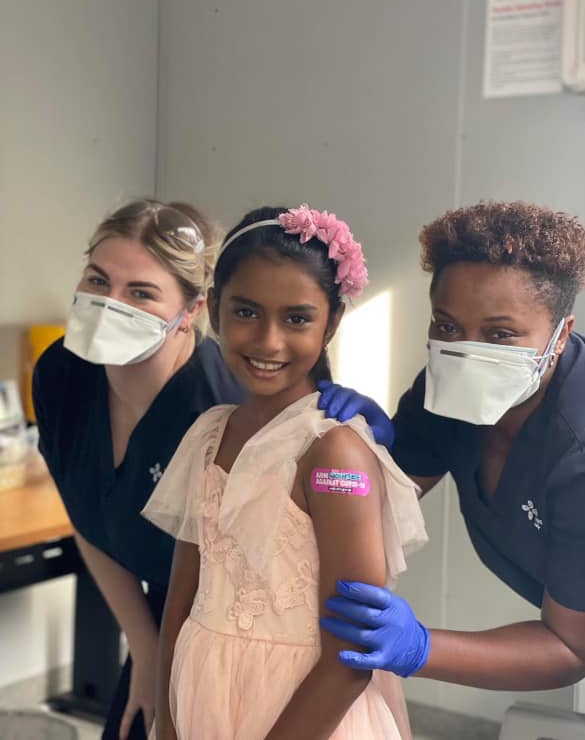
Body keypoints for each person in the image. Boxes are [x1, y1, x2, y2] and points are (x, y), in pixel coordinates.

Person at [142, 204, 428, 739]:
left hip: (307, 716)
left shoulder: (333, 453)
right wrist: (168, 721)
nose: (268, 342)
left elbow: (352, 651)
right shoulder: (207, 435)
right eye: (246, 312)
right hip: (202, 696)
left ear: (332, 322)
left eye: (297, 319)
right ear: (215, 309)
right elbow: (178, 602)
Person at [319, 201, 585, 692]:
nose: (465, 353)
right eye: (446, 326)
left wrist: (421, 646)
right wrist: (358, 451)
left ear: (561, 335)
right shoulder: (447, 391)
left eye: (500, 334)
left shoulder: (576, 453)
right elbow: (382, 501)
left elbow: (569, 648)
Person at [32, 200, 247, 740]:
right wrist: (146, 651)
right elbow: (89, 518)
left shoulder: (222, 413)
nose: (109, 304)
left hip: (237, 627)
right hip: (161, 612)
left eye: (141, 293)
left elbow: (245, 588)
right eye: (98, 280)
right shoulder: (62, 374)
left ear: (192, 310)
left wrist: (169, 666)